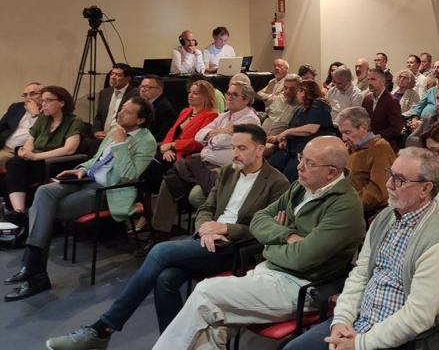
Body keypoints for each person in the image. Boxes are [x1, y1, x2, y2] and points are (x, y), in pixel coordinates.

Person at [43, 125, 290, 348]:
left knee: (160, 251)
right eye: (233, 147)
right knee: (166, 278)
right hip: (205, 239)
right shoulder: (229, 171)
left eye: (242, 148)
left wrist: (226, 229)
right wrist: (205, 226)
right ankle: (173, 343)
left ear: (259, 150)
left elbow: (264, 229)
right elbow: (206, 207)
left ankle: (103, 328)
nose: (235, 153)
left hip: (235, 248)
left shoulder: (277, 183)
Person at [152, 136, 365, 350]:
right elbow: (259, 220)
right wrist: (287, 237)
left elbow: (303, 259)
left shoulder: (345, 208)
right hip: (269, 272)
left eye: (309, 163)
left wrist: (269, 245)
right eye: (301, 158)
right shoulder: (301, 188)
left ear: (332, 172)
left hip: (300, 286)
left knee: (205, 293)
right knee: (212, 324)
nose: (299, 167)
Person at [284, 147, 439, 350]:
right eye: (390, 174)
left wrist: (360, 343)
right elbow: (360, 275)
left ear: (425, 189)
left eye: (400, 179)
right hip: (359, 322)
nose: (388, 184)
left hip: (400, 340)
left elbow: (417, 317)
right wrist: (341, 320)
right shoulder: (385, 218)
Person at [4, 97, 157, 301]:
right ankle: (34, 272)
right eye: (121, 109)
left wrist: (120, 145)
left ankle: (32, 270)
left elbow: (129, 175)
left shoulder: (147, 141)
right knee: (44, 192)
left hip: (108, 190)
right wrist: (81, 169)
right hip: (87, 180)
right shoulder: (114, 131)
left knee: (44, 211)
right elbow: (96, 159)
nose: (120, 113)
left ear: (140, 120)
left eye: (127, 112)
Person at [151, 83, 260, 236]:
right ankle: (160, 231)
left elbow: (219, 141)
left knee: (195, 196)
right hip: (201, 163)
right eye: (228, 93)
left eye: (234, 94)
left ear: (247, 99)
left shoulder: (250, 119)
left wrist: (213, 136)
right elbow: (199, 135)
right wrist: (219, 133)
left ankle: (216, 231)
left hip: (226, 168)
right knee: (169, 181)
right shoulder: (224, 116)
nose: (228, 97)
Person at [2, 86, 84, 234]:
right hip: (36, 160)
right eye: (43, 100)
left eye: (48, 101)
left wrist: (35, 156)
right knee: (13, 163)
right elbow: (30, 140)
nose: (43, 104)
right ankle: (19, 212)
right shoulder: (43, 119)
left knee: (13, 173)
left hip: (55, 163)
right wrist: (25, 150)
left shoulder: (74, 121)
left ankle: (21, 216)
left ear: (62, 103)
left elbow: (69, 149)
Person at [267, 80, 335, 182]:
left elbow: (312, 128)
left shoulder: (319, 104)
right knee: (270, 166)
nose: (296, 94)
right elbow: (292, 128)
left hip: (306, 151)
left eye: (298, 91)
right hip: (291, 148)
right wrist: (283, 139)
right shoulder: (299, 109)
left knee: (290, 172)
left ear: (305, 92)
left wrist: (286, 133)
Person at [338, 106, 396, 220]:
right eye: (342, 133)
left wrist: (346, 206)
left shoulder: (380, 148)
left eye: (348, 132)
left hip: (363, 213)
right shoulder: (351, 148)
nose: (344, 138)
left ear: (363, 128)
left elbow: (379, 191)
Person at [0, 81, 42, 169]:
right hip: (3, 144)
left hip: (17, 151)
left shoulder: (47, 112)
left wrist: (35, 114)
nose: (28, 98)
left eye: (33, 94)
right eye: (25, 95)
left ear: (43, 95)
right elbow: (2, 125)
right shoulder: (16, 107)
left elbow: (41, 134)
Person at [361, 68, 404, 152]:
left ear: (383, 81)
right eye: (368, 79)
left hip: (385, 143)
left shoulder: (392, 101)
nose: (369, 83)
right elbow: (362, 120)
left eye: (373, 79)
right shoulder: (367, 99)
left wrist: (378, 135)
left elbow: (396, 128)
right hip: (367, 140)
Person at [92, 63, 139, 139]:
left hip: (122, 137)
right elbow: (99, 116)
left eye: (118, 75)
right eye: (112, 74)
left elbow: (134, 121)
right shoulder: (104, 93)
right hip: (102, 136)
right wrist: (96, 131)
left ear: (128, 78)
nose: (113, 77)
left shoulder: (136, 94)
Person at [261, 73, 300, 139]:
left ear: (300, 89)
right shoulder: (278, 99)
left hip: (277, 141)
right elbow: (267, 114)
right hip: (260, 135)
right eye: (285, 88)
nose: (287, 91)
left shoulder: (301, 107)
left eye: (292, 89)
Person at [138, 75, 176, 142]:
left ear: (159, 90)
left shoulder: (165, 109)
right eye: (142, 86)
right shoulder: (139, 102)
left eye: (148, 87)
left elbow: (161, 135)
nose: (143, 90)